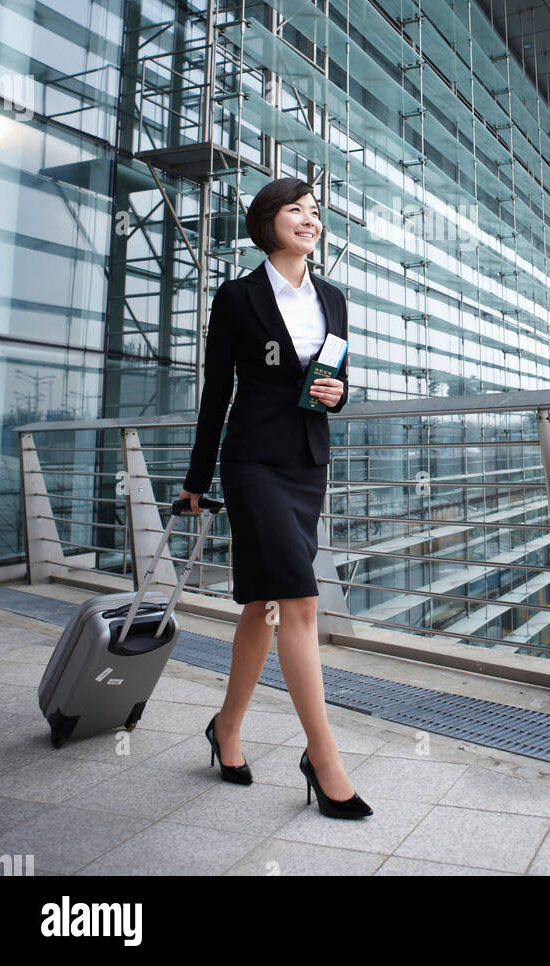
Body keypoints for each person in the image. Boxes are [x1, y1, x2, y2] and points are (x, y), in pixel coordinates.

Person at [177, 176, 372, 819]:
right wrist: (196, 481)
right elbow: (216, 395)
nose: (310, 221)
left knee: (262, 606)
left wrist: (338, 395)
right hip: (253, 463)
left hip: (306, 464)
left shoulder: (334, 298)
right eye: (297, 210)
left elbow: (335, 379)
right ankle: (324, 758)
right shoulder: (237, 297)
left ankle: (226, 728)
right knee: (300, 601)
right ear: (268, 222)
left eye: (315, 213)